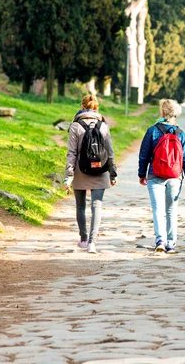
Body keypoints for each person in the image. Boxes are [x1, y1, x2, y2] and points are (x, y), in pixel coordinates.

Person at [138, 99, 185, 254]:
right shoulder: (181, 133)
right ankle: (171, 244)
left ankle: (160, 240)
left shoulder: (152, 131)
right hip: (175, 177)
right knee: (171, 210)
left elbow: (144, 155)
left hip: (155, 174)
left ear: (162, 112)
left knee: (158, 209)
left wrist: (141, 174)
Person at [64, 95, 117, 254]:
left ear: (82, 106)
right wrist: (113, 172)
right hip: (100, 169)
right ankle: (92, 243)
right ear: (96, 108)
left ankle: (83, 238)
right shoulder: (103, 126)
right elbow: (109, 151)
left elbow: (71, 153)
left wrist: (69, 175)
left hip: (81, 169)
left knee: (80, 206)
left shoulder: (75, 125)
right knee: (97, 205)